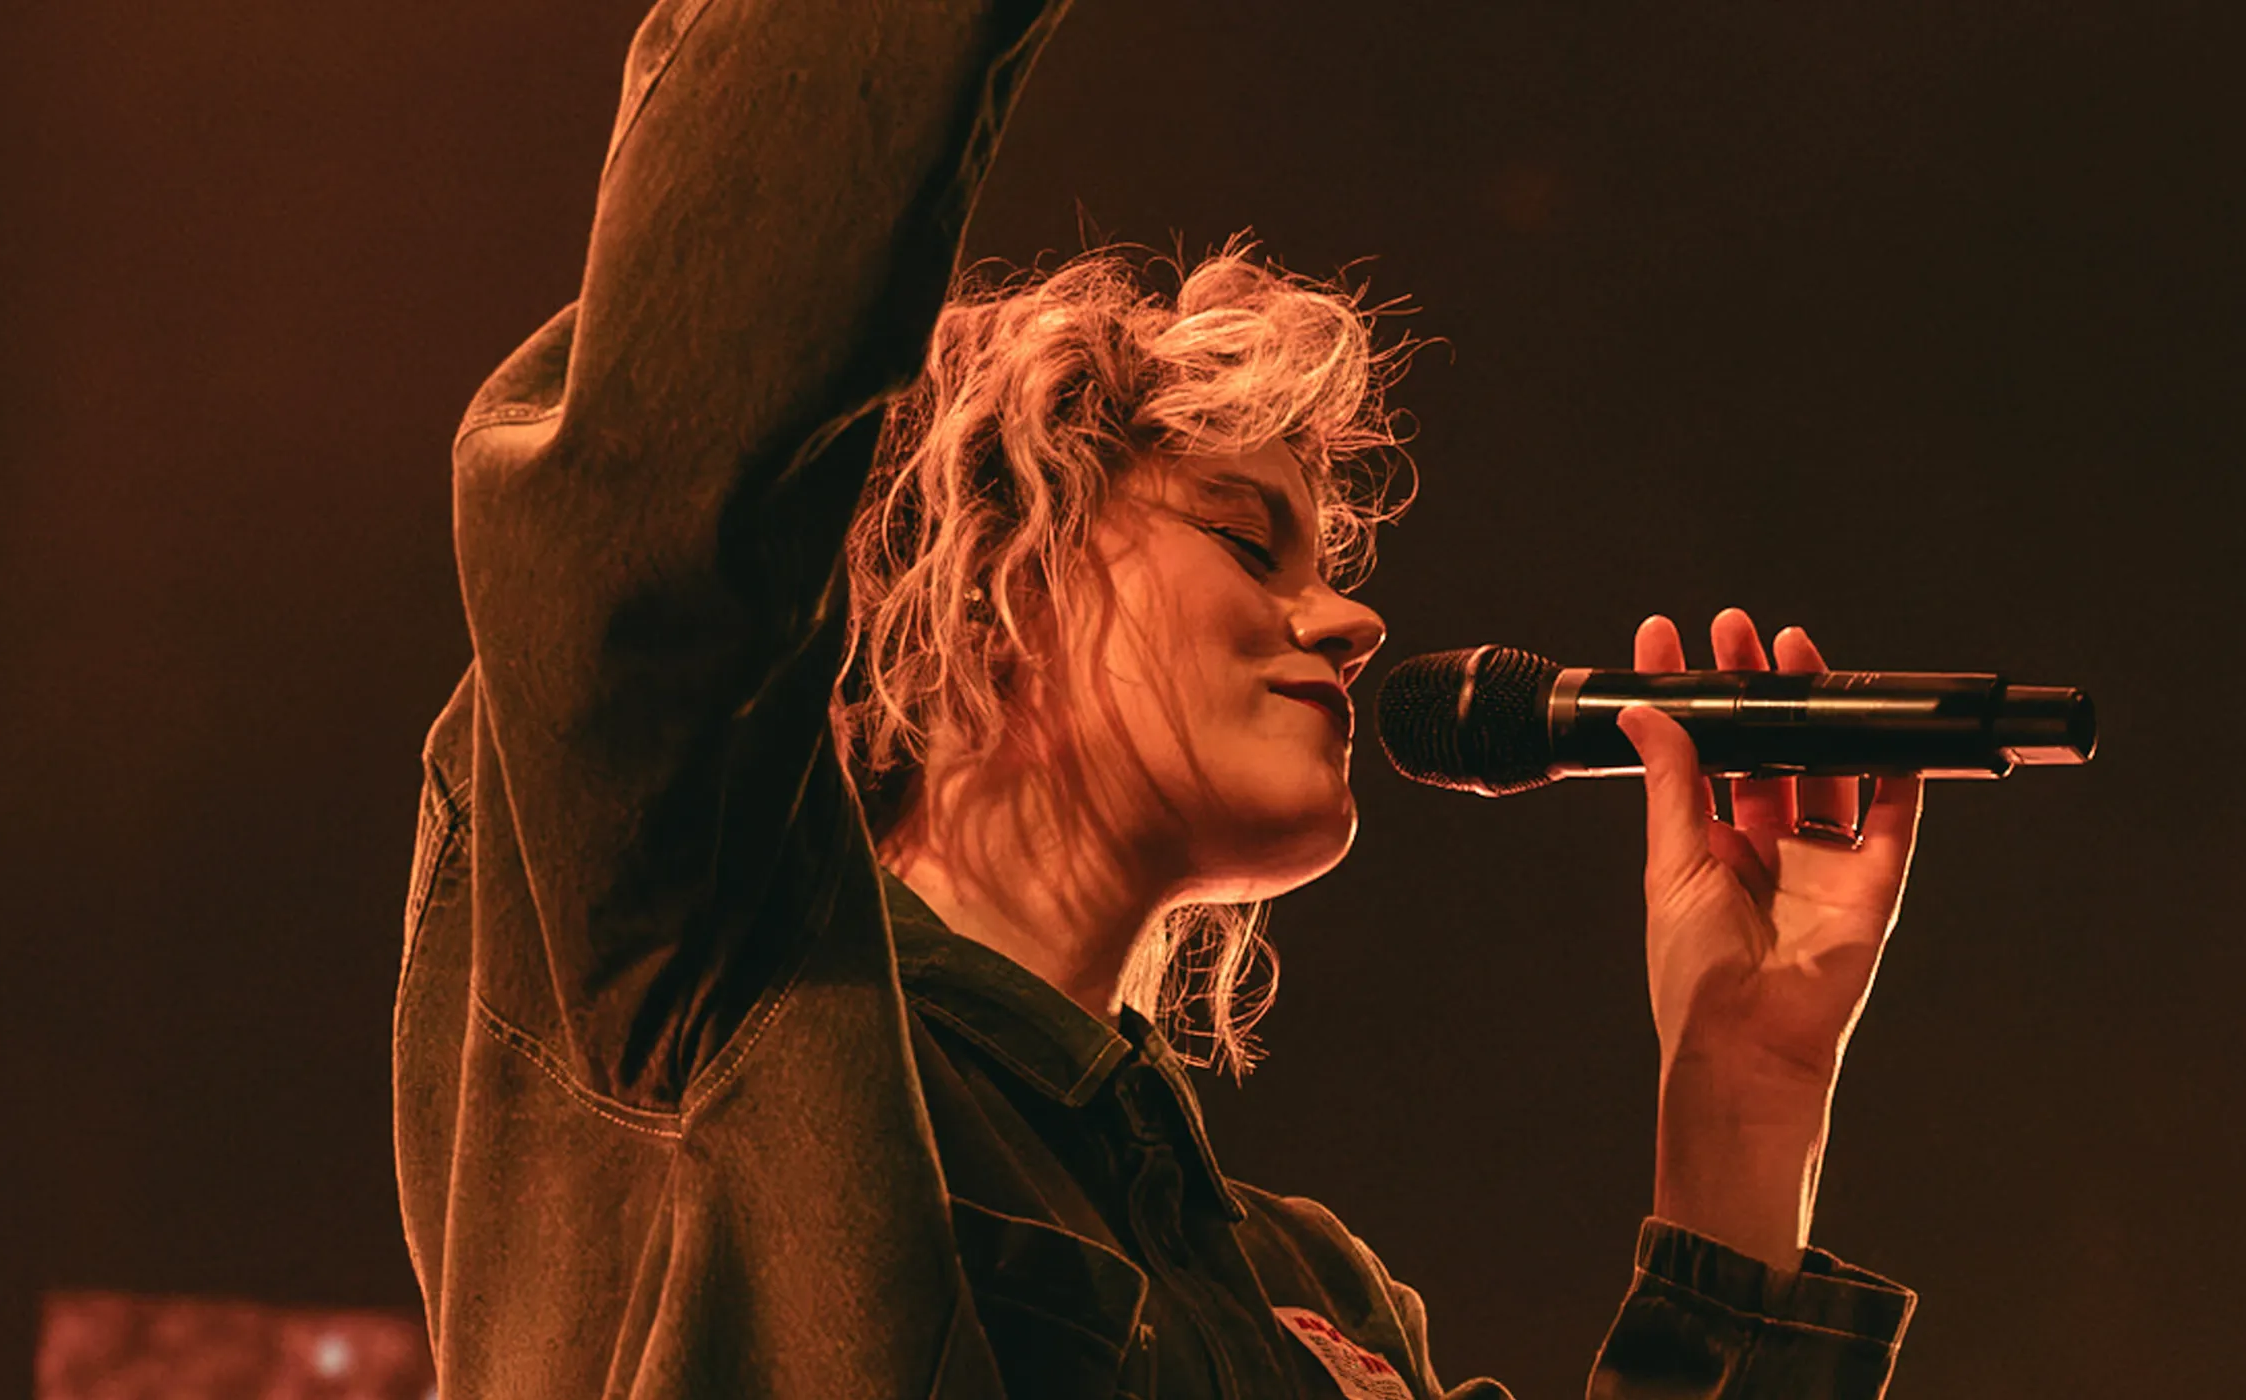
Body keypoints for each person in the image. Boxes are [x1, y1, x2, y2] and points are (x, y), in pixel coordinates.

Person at [394, 1, 1927, 1396]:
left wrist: (1745, 1102)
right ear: (989, 571)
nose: (1355, 623)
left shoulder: (1312, 1291)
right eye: (1245, 540)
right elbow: (653, 502)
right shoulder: (712, 971)